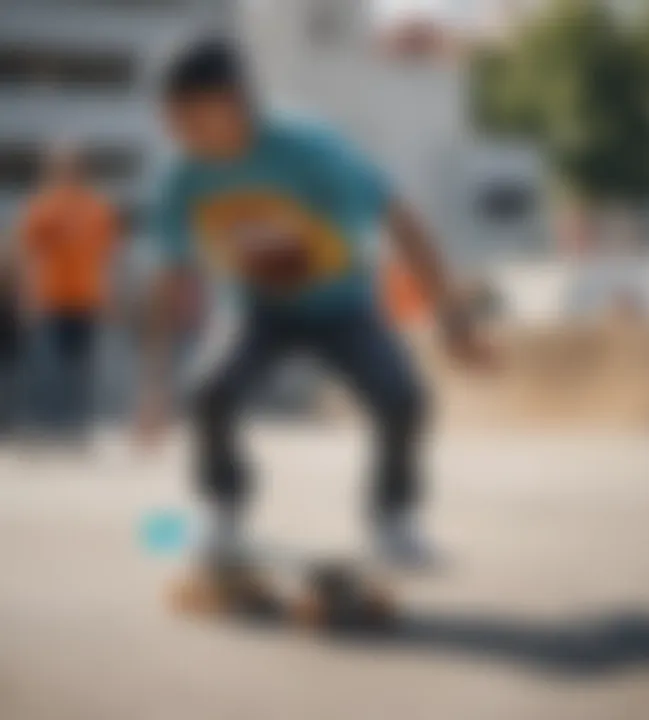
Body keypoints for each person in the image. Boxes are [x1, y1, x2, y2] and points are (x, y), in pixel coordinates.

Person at [139, 35, 495, 568]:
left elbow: (401, 218)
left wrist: (453, 318)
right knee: (209, 392)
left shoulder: (310, 149)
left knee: (402, 399)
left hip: (341, 305)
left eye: (189, 117)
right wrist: (154, 383)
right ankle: (223, 511)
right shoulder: (182, 177)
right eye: (170, 119)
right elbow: (169, 277)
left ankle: (393, 520)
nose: (177, 132)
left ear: (235, 101)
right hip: (255, 308)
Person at [19, 144, 119, 440]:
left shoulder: (97, 207)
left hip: (87, 299)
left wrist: (109, 297)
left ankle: (77, 426)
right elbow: (29, 254)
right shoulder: (44, 207)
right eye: (62, 166)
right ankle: (50, 425)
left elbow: (106, 257)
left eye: (74, 166)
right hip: (52, 299)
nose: (69, 172)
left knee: (82, 367)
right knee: (50, 367)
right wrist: (28, 295)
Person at [0, 242, 23, 436]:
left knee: (8, 375)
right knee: (8, 376)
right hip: (9, 319)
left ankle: (6, 420)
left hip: (8, 321)